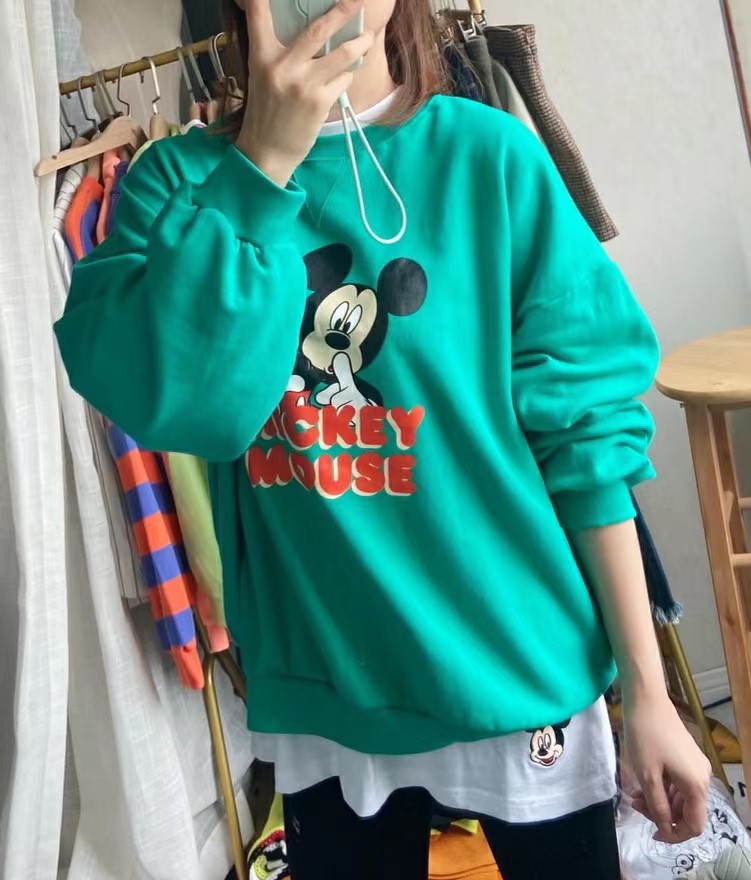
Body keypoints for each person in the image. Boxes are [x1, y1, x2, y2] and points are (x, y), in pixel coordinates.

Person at [54, 0, 712, 877]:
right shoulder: (177, 183)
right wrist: (261, 168)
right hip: (324, 686)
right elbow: (197, 408)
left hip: (516, 662)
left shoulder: (488, 158)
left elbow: (585, 436)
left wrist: (649, 691)